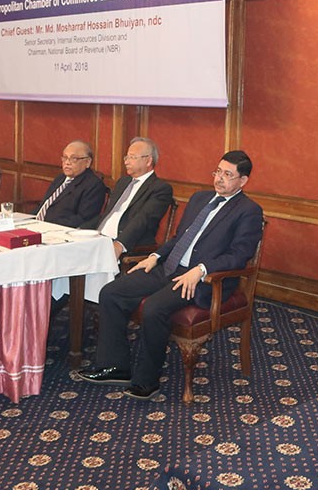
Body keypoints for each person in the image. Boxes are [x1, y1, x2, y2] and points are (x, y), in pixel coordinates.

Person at [76, 150, 264, 400]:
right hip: (170, 267)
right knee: (112, 292)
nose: (219, 178)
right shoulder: (200, 198)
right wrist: (154, 257)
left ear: (243, 181)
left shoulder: (248, 211)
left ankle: (147, 381)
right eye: (217, 172)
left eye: (228, 175)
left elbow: (239, 255)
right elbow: (179, 238)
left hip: (202, 278)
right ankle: (115, 367)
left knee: (155, 307)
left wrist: (201, 270)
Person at [82, 137, 173, 260]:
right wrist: (78, 231)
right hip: (98, 238)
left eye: (132, 157)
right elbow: (108, 214)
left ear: (148, 161)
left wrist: (119, 244)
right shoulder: (123, 182)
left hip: (126, 244)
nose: (126, 162)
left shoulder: (160, 189)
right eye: (126, 157)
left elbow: (142, 221)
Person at [33, 140, 107, 227]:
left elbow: (83, 219)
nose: (67, 163)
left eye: (74, 159)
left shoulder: (93, 185)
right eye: (65, 158)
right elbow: (45, 205)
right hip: (37, 224)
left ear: (87, 162)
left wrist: (47, 224)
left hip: (58, 230)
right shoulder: (60, 179)